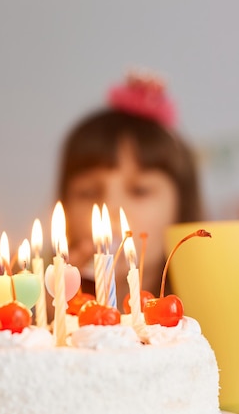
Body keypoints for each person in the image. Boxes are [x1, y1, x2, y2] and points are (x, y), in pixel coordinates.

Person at [56, 71, 204, 307]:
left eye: (140, 190)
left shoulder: (207, 317)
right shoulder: (46, 316)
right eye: (88, 193)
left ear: (181, 205)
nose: (110, 208)